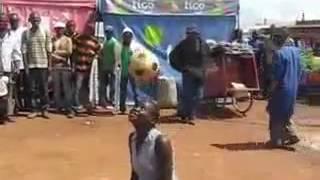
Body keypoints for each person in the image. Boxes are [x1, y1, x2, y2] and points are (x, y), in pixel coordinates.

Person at [266, 28, 301, 148]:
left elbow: (277, 75)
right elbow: (301, 71)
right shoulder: (296, 52)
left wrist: (270, 89)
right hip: (293, 86)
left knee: (275, 112)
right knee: (287, 112)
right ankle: (292, 134)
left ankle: (276, 140)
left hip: (281, 88)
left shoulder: (279, 53)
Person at [128, 100, 178, 180]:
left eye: (142, 109)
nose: (136, 110)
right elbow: (135, 174)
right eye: (136, 107)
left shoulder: (161, 142)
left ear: (153, 120)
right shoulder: (132, 138)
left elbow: (165, 178)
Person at [169, 25, 209, 121]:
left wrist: (206, 70)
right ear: (187, 35)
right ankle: (189, 115)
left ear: (197, 34)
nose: (192, 36)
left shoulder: (203, 44)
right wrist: (181, 68)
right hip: (188, 74)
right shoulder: (182, 45)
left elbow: (208, 58)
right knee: (189, 95)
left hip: (200, 74)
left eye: (194, 34)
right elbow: (172, 57)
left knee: (199, 95)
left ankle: (187, 112)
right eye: (190, 34)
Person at [21, 12, 52, 119]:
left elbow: (49, 49)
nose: (36, 21)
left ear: (40, 20)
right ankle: (34, 110)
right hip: (31, 65)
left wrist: (50, 65)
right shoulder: (26, 33)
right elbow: (24, 51)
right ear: (30, 20)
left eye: (38, 19)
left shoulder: (45, 31)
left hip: (43, 64)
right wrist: (25, 66)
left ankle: (44, 109)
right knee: (32, 88)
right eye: (34, 19)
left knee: (43, 88)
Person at [72, 23, 101, 113]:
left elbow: (99, 52)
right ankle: (76, 105)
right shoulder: (79, 38)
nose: (89, 31)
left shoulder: (95, 41)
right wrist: (73, 64)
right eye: (88, 29)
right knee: (78, 87)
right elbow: (73, 51)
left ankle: (85, 104)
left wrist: (94, 57)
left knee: (86, 87)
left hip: (89, 68)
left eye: (91, 29)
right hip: (79, 67)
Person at [0, 13, 21, 123]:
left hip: (7, 70)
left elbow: (16, 53)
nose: (2, 23)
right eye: (0, 21)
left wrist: (17, 67)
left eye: (4, 21)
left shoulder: (12, 37)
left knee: (8, 95)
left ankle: (5, 115)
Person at [51, 22, 74, 118]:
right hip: (55, 66)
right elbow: (50, 52)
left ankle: (69, 109)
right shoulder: (53, 39)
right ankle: (58, 107)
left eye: (60, 28)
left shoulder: (68, 40)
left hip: (65, 67)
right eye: (57, 28)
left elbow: (69, 52)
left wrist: (56, 53)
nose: (59, 30)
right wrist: (59, 57)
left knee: (66, 88)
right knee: (56, 88)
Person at [99, 25, 120, 108]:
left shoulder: (114, 42)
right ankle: (104, 100)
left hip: (112, 67)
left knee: (112, 85)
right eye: (106, 32)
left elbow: (117, 56)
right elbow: (102, 53)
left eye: (109, 32)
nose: (107, 33)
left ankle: (112, 100)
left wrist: (115, 66)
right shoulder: (104, 42)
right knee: (103, 85)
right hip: (104, 66)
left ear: (112, 33)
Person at [119, 27, 139, 114]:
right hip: (123, 72)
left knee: (135, 89)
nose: (127, 37)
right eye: (125, 36)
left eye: (128, 36)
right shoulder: (120, 47)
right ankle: (122, 107)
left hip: (132, 72)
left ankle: (137, 105)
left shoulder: (134, 47)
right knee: (123, 90)